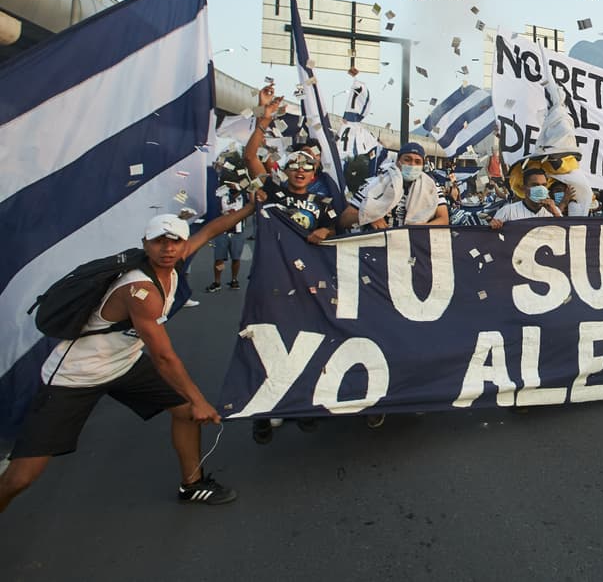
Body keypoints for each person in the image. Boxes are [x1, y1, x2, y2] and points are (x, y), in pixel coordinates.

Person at [0, 205, 256, 513]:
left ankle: (192, 484)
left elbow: (213, 228)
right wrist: (200, 399)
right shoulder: (140, 289)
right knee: (22, 476)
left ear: (184, 245)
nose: (167, 248)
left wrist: (252, 205)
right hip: (77, 374)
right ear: (145, 244)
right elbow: (163, 357)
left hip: (123, 363)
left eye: (175, 242)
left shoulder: (174, 261)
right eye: (159, 242)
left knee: (184, 411)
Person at [246, 86, 357, 244]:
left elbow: (333, 226)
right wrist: (262, 115)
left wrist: (326, 231)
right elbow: (255, 154)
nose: (302, 165)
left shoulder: (331, 187)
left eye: (311, 158)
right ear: (287, 167)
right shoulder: (277, 184)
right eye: (299, 159)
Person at [342, 142, 449, 230]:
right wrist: (370, 217)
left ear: (422, 165)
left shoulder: (432, 186)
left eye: (417, 161)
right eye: (407, 159)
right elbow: (345, 219)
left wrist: (418, 230)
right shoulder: (375, 183)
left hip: (416, 245)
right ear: (398, 161)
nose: (412, 165)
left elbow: (444, 219)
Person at [204, 172, 251, 295]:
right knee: (219, 258)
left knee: (236, 258)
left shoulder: (244, 196)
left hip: (238, 231)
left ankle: (234, 279)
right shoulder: (221, 194)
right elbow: (214, 206)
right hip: (222, 231)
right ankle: (217, 281)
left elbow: (252, 194)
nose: (233, 187)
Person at [489, 168, 564, 228]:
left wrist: (555, 213)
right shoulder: (508, 212)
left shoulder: (553, 210)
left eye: (544, 185)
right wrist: (494, 226)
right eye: (535, 185)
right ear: (524, 188)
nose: (540, 188)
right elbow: (490, 238)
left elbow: (564, 232)